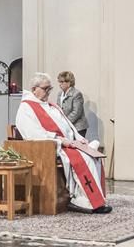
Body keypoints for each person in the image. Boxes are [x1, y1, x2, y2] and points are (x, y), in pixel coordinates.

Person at [16, 72, 110, 213]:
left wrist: (79, 138)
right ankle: (85, 201)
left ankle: (95, 198)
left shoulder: (51, 105)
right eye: (45, 89)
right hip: (49, 147)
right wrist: (62, 140)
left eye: (50, 88)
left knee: (94, 157)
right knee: (86, 158)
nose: (48, 92)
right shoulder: (26, 108)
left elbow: (68, 124)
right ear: (34, 89)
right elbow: (34, 134)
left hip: (67, 143)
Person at [56, 70, 88, 136]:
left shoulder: (77, 94)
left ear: (69, 83)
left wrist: (65, 123)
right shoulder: (60, 94)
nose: (59, 84)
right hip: (66, 126)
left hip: (78, 127)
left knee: (77, 146)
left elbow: (76, 112)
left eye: (62, 82)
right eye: (59, 82)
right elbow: (58, 109)